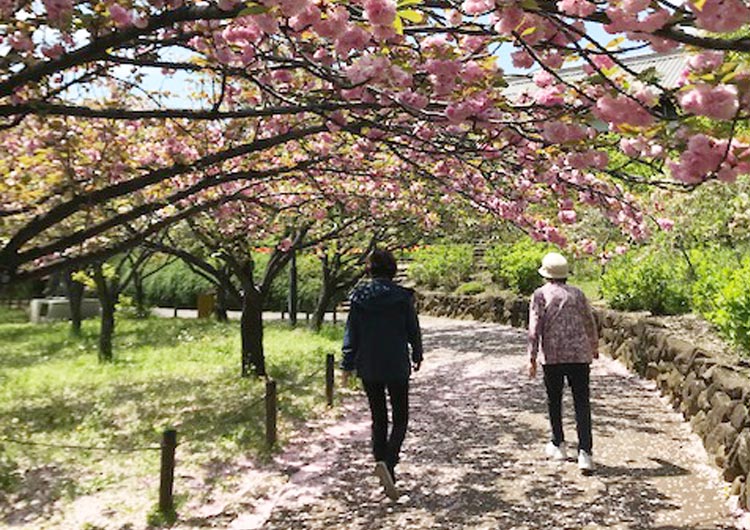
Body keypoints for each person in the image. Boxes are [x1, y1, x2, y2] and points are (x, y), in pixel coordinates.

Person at [341, 249, 423, 500]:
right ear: (393, 269)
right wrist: (417, 354)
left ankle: (382, 464)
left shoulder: (359, 297)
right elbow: (413, 329)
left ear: (370, 269)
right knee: (400, 419)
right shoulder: (402, 297)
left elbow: (351, 332)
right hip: (396, 364)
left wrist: (347, 363)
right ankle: (388, 463)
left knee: (379, 419)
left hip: (369, 364)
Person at [527, 252, 599, 471]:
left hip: (553, 357)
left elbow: (534, 328)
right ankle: (585, 452)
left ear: (546, 274)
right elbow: (589, 321)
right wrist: (594, 346)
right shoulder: (578, 294)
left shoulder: (540, 295)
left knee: (555, 400)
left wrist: (531, 357)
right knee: (581, 402)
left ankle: (559, 443)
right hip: (579, 356)